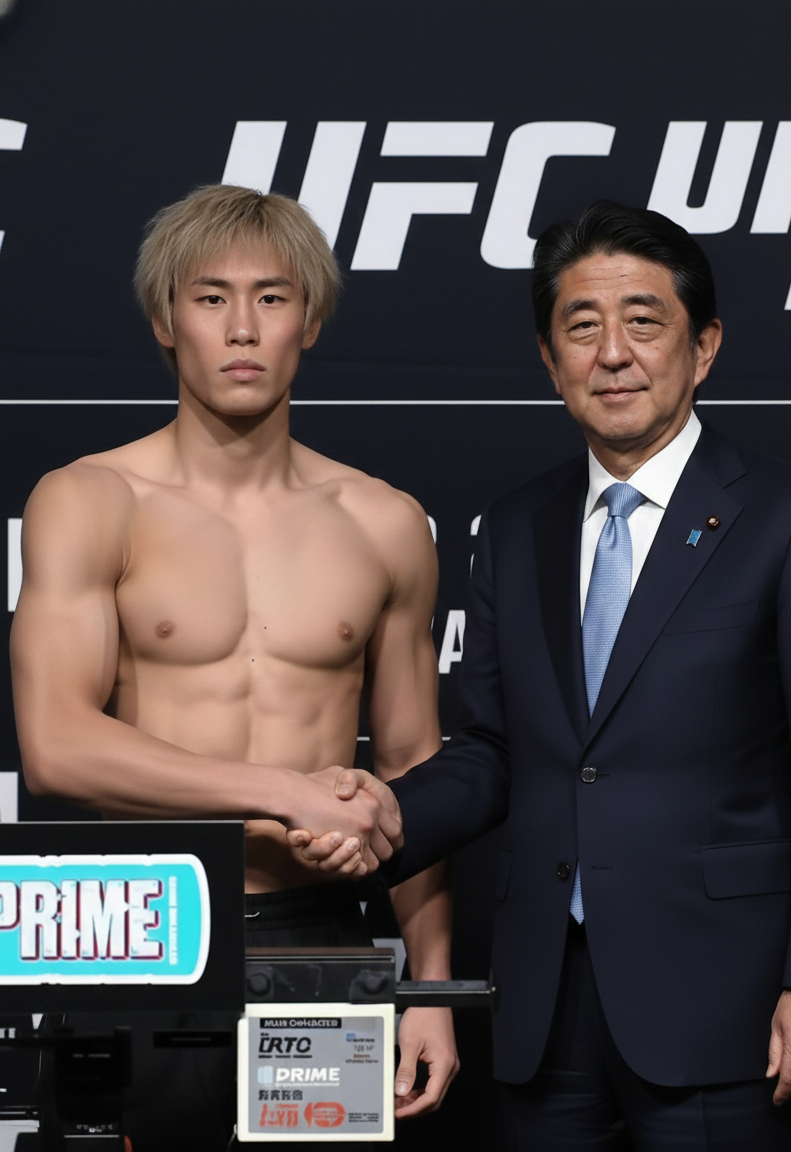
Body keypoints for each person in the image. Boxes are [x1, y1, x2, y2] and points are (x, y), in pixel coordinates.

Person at [300, 200, 791, 1150]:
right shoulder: (516, 526)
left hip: (726, 1006)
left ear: (703, 347)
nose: (613, 353)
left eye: (644, 321)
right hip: (544, 1003)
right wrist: (386, 813)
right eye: (582, 327)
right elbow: (492, 750)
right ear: (549, 358)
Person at [10, 183, 458, 1145]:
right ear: (166, 321)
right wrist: (285, 794)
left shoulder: (386, 523)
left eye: (272, 297)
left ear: (312, 320)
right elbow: (54, 746)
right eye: (210, 298)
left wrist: (430, 985)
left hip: (321, 936)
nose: (243, 328)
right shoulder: (91, 500)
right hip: (140, 926)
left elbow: (415, 770)